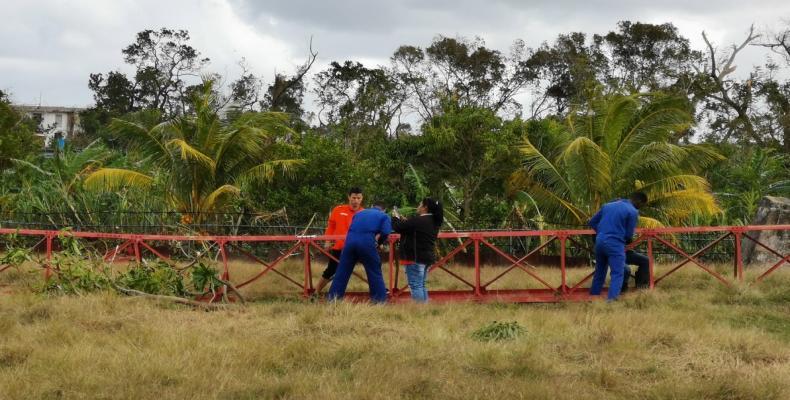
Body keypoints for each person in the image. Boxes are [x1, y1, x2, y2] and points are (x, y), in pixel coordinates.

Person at [326, 201, 392, 303]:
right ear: (384, 209)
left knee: (342, 272)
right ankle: (379, 301)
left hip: (349, 243)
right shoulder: (384, 216)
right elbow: (386, 232)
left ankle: (333, 299)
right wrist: (379, 242)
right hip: (366, 243)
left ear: (371, 206)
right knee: (374, 271)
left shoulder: (359, 213)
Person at [588, 192, 648, 301]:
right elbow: (628, 235)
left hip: (600, 241)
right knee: (618, 273)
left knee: (600, 271)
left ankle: (593, 297)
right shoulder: (633, 211)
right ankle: (611, 301)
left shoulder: (608, 205)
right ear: (639, 202)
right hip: (615, 244)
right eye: (642, 205)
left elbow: (592, 222)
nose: (640, 208)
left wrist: (602, 231)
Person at [391, 198, 444, 303]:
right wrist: (405, 221)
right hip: (427, 256)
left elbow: (397, 227)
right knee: (421, 284)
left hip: (415, 257)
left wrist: (395, 218)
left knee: (415, 285)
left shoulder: (418, 220)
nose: (418, 206)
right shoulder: (433, 221)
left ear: (425, 207)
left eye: (420, 204)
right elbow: (410, 227)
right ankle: (424, 308)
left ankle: (420, 310)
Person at [314, 187, 364, 295]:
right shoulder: (338, 210)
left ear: (362, 198)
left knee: (372, 267)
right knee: (331, 270)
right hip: (339, 247)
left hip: (357, 248)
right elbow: (331, 227)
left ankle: (380, 292)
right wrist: (327, 241)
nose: (356, 201)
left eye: (358, 198)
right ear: (349, 197)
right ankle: (316, 291)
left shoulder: (364, 213)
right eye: (354, 198)